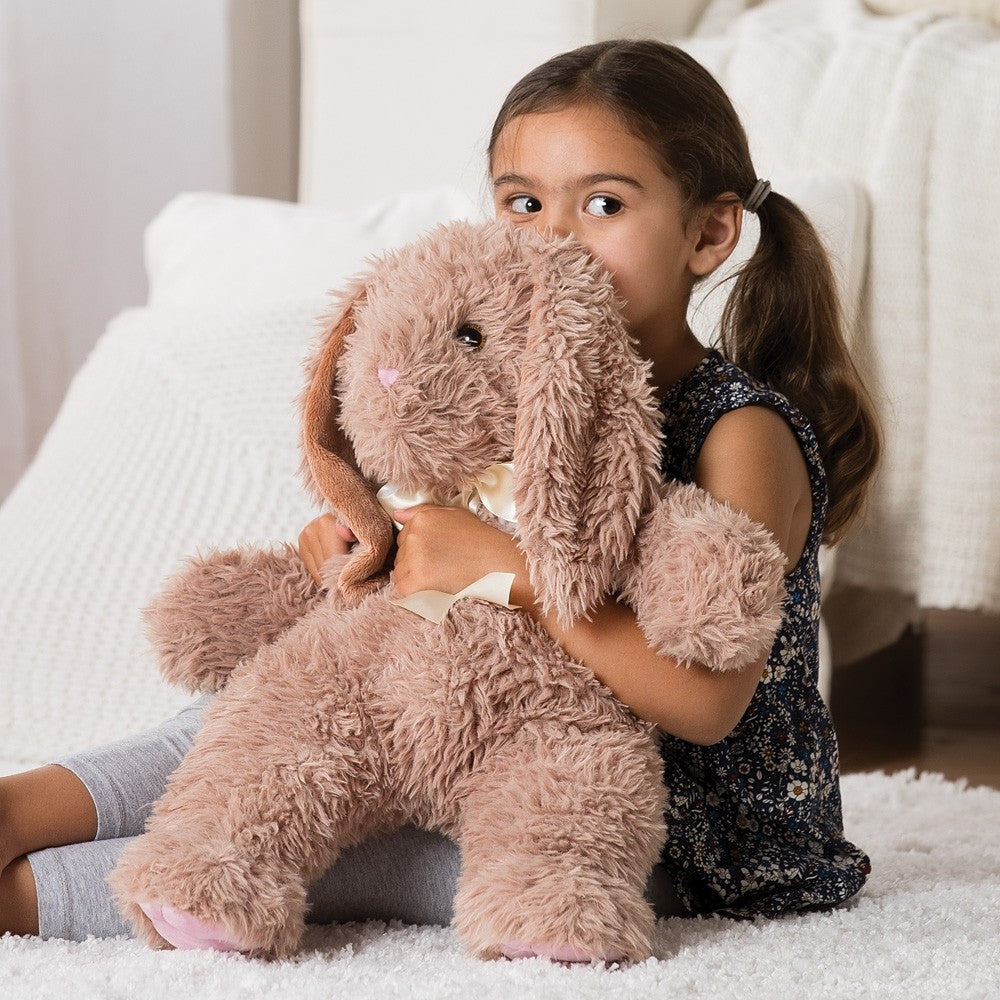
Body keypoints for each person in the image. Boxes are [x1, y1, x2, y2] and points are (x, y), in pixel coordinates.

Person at [0, 38, 880, 950]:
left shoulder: (742, 430)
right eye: (524, 203)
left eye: (605, 204)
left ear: (708, 234)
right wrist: (368, 557)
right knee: (276, 715)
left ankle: (28, 898)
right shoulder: (499, 387)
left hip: (658, 833)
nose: (553, 239)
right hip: (467, 743)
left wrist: (512, 576)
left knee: (343, 851)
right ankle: (23, 806)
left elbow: (707, 706)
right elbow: (440, 592)